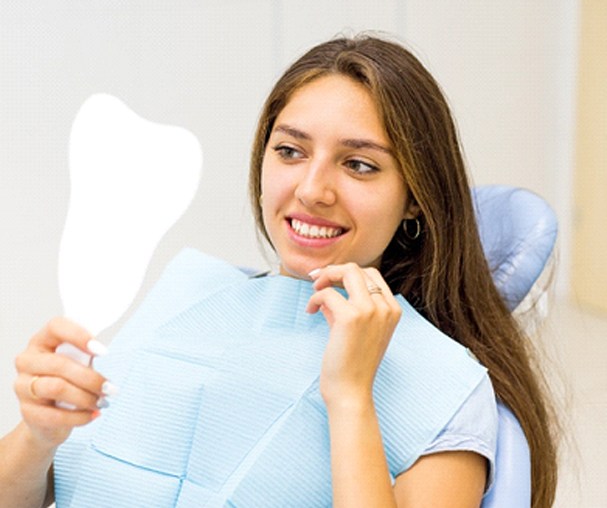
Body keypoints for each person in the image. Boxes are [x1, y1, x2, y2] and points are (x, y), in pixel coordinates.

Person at [1, 35, 557, 507]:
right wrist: (40, 433)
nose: (311, 190)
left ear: (416, 197)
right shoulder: (191, 293)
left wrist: (350, 396)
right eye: (290, 151)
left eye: (359, 164)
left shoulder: (446, 389)